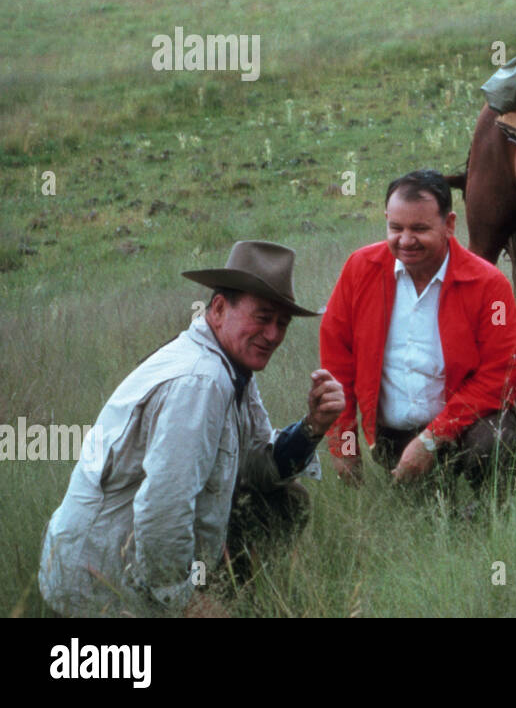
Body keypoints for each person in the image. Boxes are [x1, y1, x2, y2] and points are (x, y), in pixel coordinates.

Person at [39, 240, 344, 617]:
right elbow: (162, 507)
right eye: (262, 317)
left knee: (285, 501)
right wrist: (187, 601)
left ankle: (231, 594)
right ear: (218, 309)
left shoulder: (229, 367)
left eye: (282, 323)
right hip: (100, 581)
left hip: (133, 554)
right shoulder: (201, 381)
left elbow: (258, 467)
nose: (273, 335)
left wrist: (313, 427)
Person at [321, 170, 516, 495]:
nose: (405, 240)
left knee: (494, 445)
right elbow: (336, 364)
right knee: (424, 517)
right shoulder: (359, 269)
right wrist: (344, 446)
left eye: (420, 229)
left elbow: (502, 374)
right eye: (396, 228)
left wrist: (432, 438)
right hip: (394, 436)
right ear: (386, 219)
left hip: (470, 428)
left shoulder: (490, 285)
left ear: (449, 224)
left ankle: (493, 515)